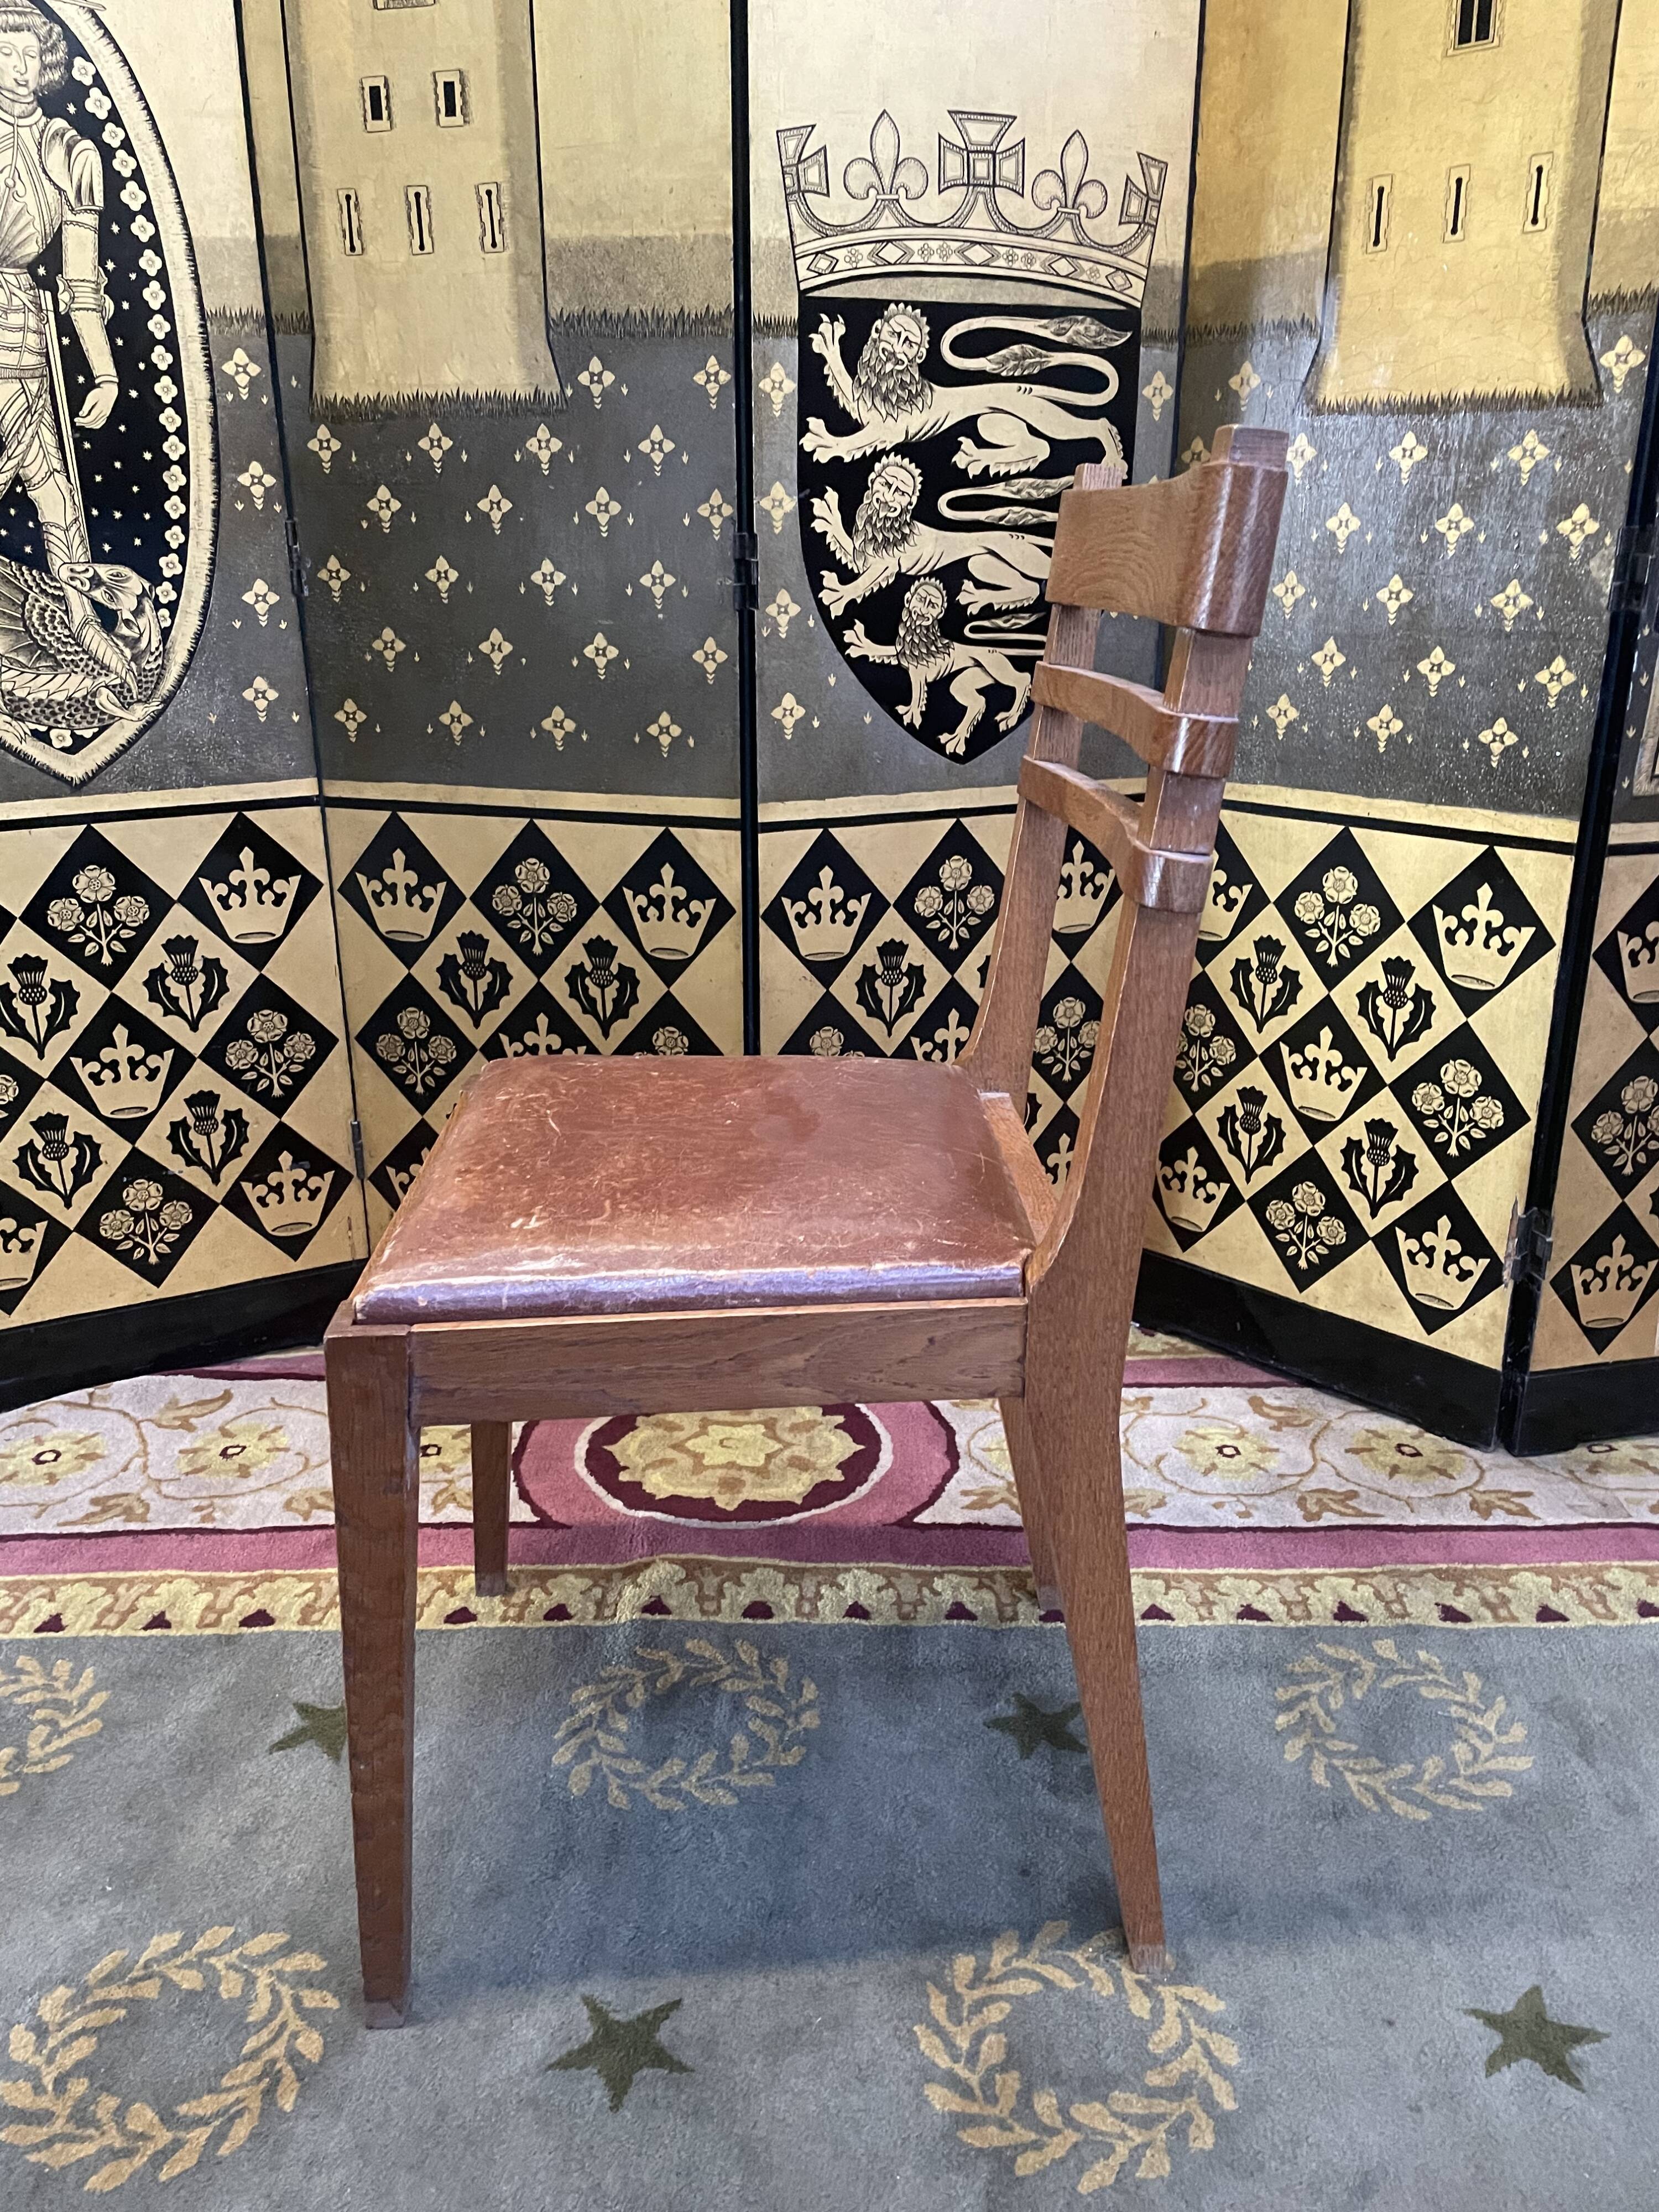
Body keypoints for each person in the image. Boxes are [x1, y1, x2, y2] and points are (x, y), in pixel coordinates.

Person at [0, 3, 126, 679]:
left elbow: (81, 283)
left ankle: (80, 618)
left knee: (55, 489)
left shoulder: (71, 152)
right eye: (4, 53)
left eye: (30, 56)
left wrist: (104, 374)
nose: (18, 70)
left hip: (24, 332)